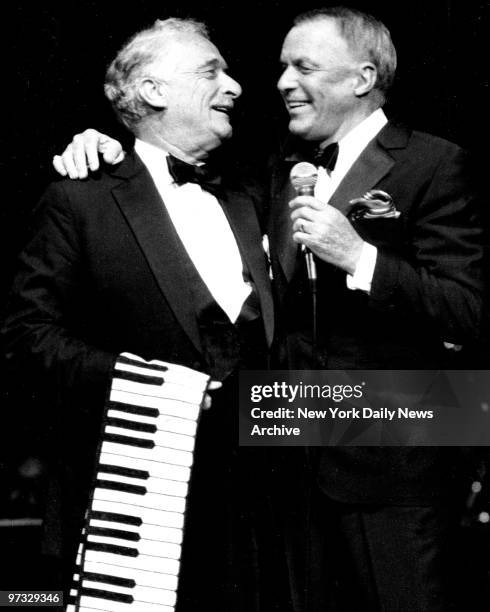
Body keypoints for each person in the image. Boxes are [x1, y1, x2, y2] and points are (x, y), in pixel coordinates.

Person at [50, 6, 485, 611]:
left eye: (302, 66)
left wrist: (361, 257)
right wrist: (101, 143)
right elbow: (159, 163)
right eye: (281, 66)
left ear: (361, 78)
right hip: (280, 472)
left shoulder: (434, 162)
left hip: (393, 471)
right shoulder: (273, 171)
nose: (280, 82)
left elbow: (470, 314)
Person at [2, 18, 278, 612]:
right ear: (152, 91)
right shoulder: (81, 198)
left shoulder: (253, 193)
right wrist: (151, 389)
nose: (234, 86)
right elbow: (28, 338)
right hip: (134, 506)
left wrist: (439, 410)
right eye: (211, 71)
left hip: (267, 509)